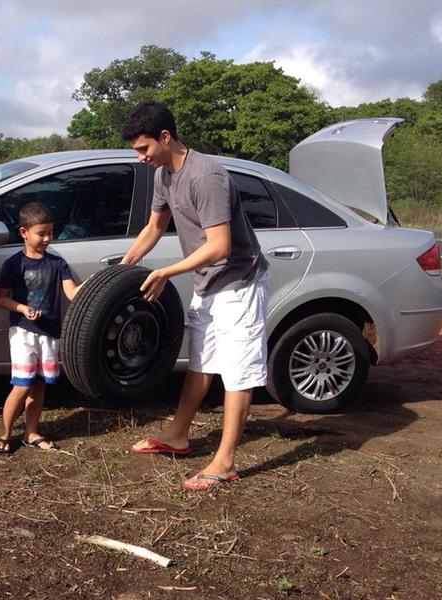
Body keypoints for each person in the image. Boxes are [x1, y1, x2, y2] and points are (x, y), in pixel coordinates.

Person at [120, 101, 269, 491]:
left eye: (144, 149)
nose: (141, 158)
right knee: (201, 362)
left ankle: (224, 462)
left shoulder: (207, 176)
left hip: (239, 282)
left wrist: (167, 271)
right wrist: (122, 269)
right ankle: (178, 436)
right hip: (208, 285)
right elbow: (155, 227)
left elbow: (219, 246)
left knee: (237, 370)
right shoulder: (163, 176)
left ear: (165, 137)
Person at [0, 202, 80, 453]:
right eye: (41, 233)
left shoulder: (57, 263)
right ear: (24, 232)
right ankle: (5, 433)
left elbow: (71, 291)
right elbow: (0, 299)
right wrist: (22, 308)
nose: (47, 238)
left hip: (50, 333)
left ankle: (31, 432)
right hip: (23, 332)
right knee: (21, 384)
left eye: (50, 232)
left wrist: (92, 289)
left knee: (39, 384)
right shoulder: (13, 265)